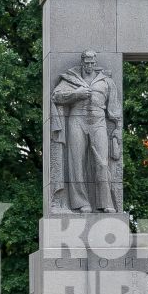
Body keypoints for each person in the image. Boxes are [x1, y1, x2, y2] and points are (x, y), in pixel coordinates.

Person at [50, 50, 121, 212]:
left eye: (92, 62)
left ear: (95, 63)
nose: (89, 65)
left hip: (98, 121)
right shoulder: (71, 78)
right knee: (77, 162)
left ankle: (105, 204)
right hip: (76, 119)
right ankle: (82, 203)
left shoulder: (106, 81)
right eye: (87, 62)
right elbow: (56, 96)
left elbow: (114, 109)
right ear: (82, 62)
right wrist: (76, 94)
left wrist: (117, 129)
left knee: (102, 163)